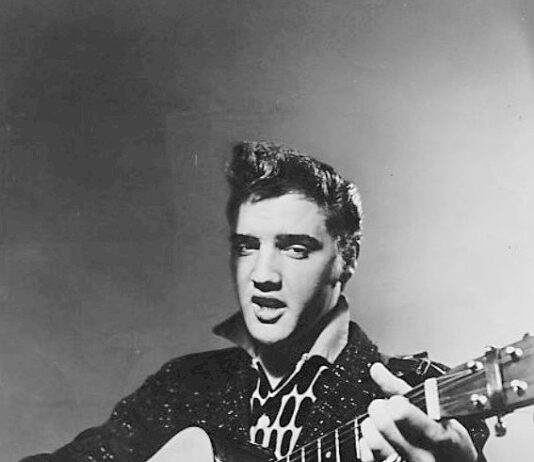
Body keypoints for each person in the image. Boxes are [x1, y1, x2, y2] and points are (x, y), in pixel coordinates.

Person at [22, 141, 488, 462]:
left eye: (295, 248)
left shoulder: (413, 391)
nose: (263, 275)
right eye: (247, 247)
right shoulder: (182, 387)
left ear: (346, 258)